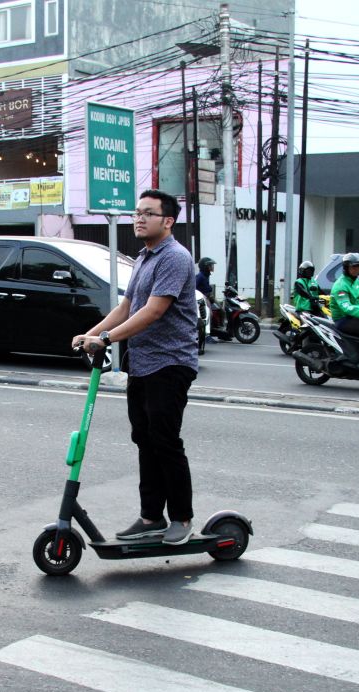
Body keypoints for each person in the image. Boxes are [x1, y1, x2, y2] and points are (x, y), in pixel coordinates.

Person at [72, 189, 198, 546]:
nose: (138, 219)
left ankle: (182, 518)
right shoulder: (145, 257)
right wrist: (91, 332)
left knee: (166, 441)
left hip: (170, 363)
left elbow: (154, 310)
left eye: (147, 213)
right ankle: (151, 516)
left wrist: (107, 339)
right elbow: (128, 306)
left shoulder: (174, 257)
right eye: (136, 213)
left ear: (168, 221)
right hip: (143, 364)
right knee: (144, 439)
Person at [195, 256, 218, 342]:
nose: (212, 267)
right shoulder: (200, 276)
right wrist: (203, 296)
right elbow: (194, 288)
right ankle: (206, 335)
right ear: (205, 267)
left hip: (208, 296)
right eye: (210, 265)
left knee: (220, 310)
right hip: (203, 299)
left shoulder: (206, 275)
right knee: (209, 314)